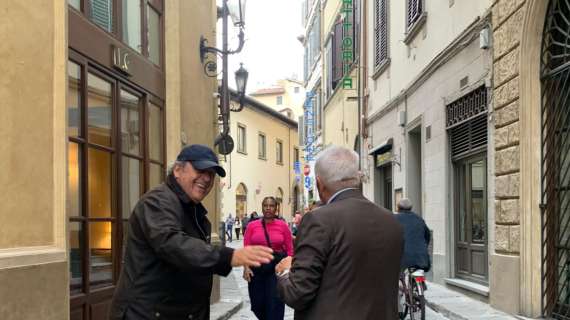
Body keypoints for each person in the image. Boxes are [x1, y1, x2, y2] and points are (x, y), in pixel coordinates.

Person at [108, 144, 273, 320]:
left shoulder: (193, 210)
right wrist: (229, 256)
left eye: (211, 174)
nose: (207, 178)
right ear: (178, 170)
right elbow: (172, 243)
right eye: (200, 170)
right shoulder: (158, 201)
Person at [275, 146, 404, 319]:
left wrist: (285, 271)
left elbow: (297, 293)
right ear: (357, 177)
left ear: (319, 183)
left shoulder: (318, 220)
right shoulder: (391, 220)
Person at [243, 196, 294, 320]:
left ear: (276, 208)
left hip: (275, 269)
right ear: (262, 207)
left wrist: (288, 269)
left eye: (271, 206)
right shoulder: (252, 226)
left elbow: (290, 250)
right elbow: (246, 248)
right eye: (265, 205)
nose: (268, 208)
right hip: (257, 268)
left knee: (274, 303)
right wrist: (246, 267)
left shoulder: (283, 226)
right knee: (257, 303)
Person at [394, 198, 431, 272]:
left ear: (398, 208)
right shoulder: (419, 219)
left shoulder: (394, 219)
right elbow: (427, 235)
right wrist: (423, 247)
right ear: (411, 208)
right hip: (421, 258)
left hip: (403, 258)